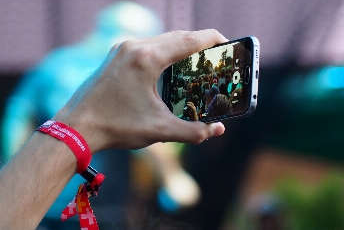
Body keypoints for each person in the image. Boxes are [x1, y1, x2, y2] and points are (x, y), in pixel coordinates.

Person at [0, 29, 226, 230]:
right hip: (100, 207)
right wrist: (173, 178)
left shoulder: (53, 62)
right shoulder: (109, 72)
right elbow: (150, 147)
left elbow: (17, 114)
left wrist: (19, 175)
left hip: (46, 205)